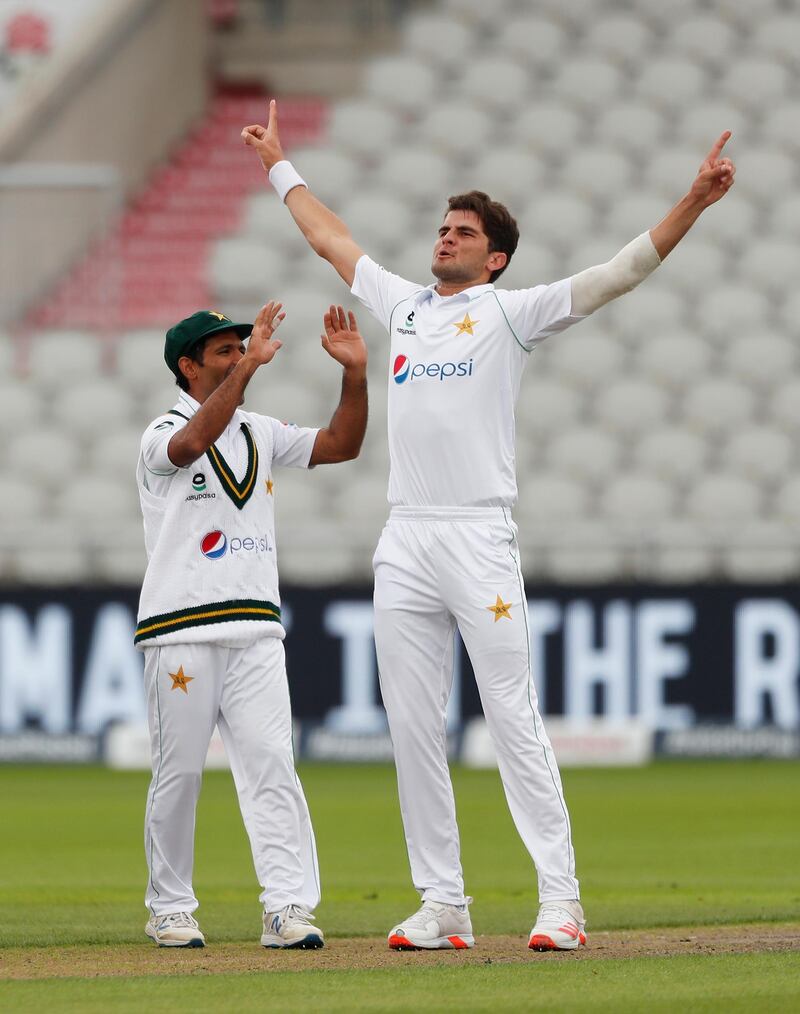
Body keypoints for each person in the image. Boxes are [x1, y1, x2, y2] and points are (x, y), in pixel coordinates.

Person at [242, 101, 735, 952]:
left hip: (477, 534)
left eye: (462, 232)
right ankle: (444, 903)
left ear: (494, 257)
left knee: (511, 716)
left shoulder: (514, 312)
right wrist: (278, 163)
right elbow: (330, 239)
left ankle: (561, 902)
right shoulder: (404, 307)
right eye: (442, 228)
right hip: (406, 536)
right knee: (411, 722)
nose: (444, 238)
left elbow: (619, 272)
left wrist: (692, 200)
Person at [135, 301, 368, 948]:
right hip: (180, 628)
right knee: (179, 774)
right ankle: (171, 907)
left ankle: (287, 907)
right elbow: (190, 445)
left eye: (242, 349)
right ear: (187, 366)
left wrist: (354, 376)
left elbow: (340, 446)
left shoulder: (259, 430)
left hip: (258, 627)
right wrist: (250, 374)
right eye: (224, 352)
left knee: (272, 768)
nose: (240, 357)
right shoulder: (161, 430)